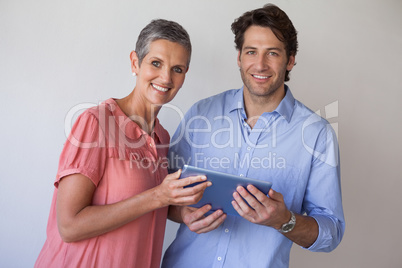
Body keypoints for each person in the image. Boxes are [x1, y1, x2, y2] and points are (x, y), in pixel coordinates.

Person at [162, 4, 345, 268]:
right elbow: (160, 194)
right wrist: (183, 212)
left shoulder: (316, 134)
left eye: (272, 53)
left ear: (290, 60)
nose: (260, 64)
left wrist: (284, 220)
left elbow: (331, 233)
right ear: (239, 57)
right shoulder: (201, 113)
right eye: (251, 52)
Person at [35, 19, 211, 268]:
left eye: (177, 69)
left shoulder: (162, 137)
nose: (166, 77)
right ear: (135, 63)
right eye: (156, 63)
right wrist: (158, 196)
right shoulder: (97, 123)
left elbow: (152, 205)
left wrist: (184, 214)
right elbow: (69, 226)